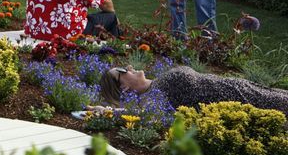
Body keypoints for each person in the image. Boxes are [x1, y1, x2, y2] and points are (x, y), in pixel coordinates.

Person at [100, 64, 288, 117]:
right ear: (124, 87)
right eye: (123, 71)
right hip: (245, 100)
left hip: (243, 87)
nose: (129, 66)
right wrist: (109, 112)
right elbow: (145, 114)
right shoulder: (152, 97)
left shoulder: (156, 84)